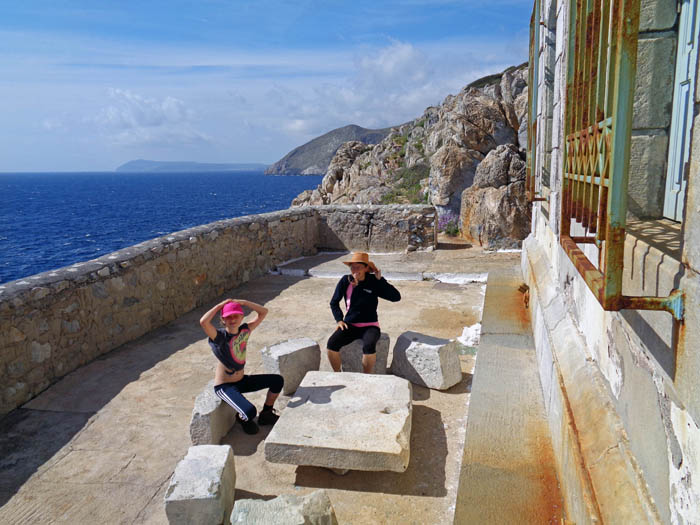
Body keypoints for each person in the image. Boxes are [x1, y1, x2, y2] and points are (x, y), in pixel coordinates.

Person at [199, 298, 283, 435]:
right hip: (225, 387)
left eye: (235, 315)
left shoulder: (245, 330)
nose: (232, 319)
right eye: (228, 317)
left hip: (242, 380)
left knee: (277, 380)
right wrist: (220, 305)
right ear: (223, 320)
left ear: (241, 316)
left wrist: (244, 302)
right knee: (249, 412)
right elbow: (203, 322)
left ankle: (266, 413)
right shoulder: (220, 337)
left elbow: (263, 312)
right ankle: (243, 419)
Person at [327, 252, 401, 373]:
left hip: (370, 326)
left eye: (358, 267)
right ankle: (337, 373)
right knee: (331, 344)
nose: (355, 270)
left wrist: (381, 280)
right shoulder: (345, 281)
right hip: (349, 324)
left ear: (366, 268)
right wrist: (339, 320)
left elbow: (396, 297)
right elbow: (334, 303)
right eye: (352, 267)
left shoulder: (374, 281)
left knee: (369, 346)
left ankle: (365, 377)